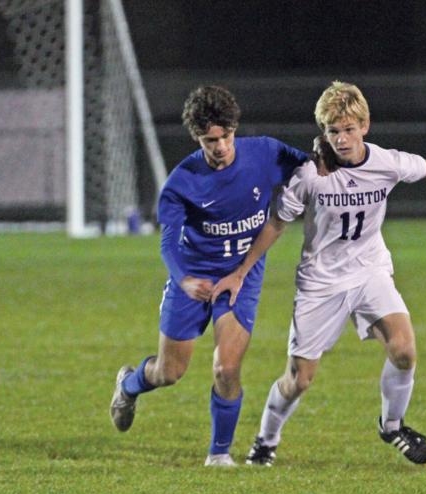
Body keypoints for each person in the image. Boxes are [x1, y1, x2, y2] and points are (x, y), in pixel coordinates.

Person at [212, 81, 426, 467]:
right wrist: (241, 272)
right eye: (333, 131)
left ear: (365, 126)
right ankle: (266, 440)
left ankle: (392, 425)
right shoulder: (311, 174)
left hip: (369, 271)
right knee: (299, 379)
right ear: (324, 132)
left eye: (349, 129)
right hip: (320, 282)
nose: (342, 139)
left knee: (404, 350)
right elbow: (277, 223)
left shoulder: (386, 162)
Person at [109, 85, 315, 466]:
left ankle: (219, 455)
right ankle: (128, 385)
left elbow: (313, 167)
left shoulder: (265, 153)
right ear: (197, 138)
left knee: (226, 367)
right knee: (169, 372)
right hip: (195, 277)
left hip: (241, 275)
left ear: (234, 129)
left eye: (226, 136)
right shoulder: (181, 183)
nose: (220, 147)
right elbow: (168, 244)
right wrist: (185, 280)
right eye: (210, 140)